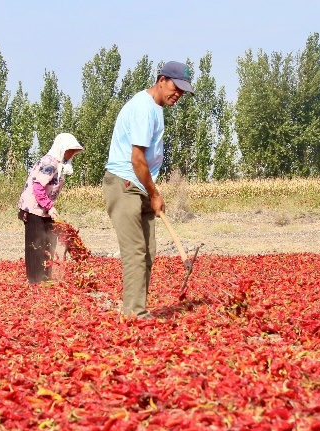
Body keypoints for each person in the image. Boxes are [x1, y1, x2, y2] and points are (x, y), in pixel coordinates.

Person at [104, 61, 193, 318]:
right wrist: (155, 193)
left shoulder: (155, 107)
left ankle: (137, 308)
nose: (178, 94)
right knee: (135, 252)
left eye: (183, 91)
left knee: (148, 251)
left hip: (140, 185)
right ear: (162, 80)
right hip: (125, 185)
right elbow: (137, 160)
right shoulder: (144, 109)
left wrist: (151, 191)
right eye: (176, 87)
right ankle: (135, 314)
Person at [18, 133, 83, 284]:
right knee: (36, 243)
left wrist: (48, 208)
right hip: (33, 208)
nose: (71, 154)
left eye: (73, 151)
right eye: (69, 150)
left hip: (44, 208)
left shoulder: (59, 164)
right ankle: (35, 280)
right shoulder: (50, 163)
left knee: (49, 240)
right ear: (61, 148)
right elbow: (38, 187)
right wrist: (49, 207)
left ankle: (45, 277)